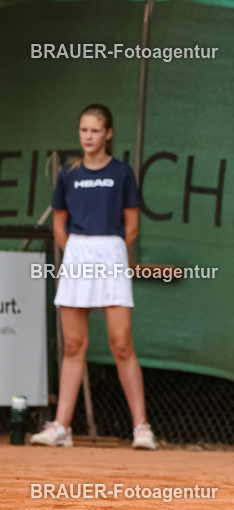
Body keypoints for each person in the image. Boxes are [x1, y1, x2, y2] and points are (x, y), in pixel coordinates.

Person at [30, 104, 157, 450]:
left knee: (121, 343)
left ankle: (141, 428)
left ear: (109, 134)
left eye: (95, 131)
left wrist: (109, 251)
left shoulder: (122, 173)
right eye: (83, 130)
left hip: (111, 252)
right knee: (73, 345)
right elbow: (59, 223)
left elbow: (132, 226)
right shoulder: (68, 174)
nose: (88, 137)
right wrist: (76, 252)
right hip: (77, 254)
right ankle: (62, 427)